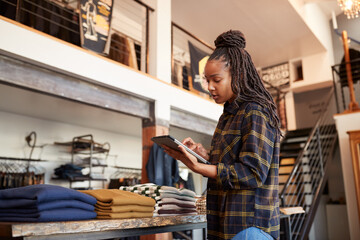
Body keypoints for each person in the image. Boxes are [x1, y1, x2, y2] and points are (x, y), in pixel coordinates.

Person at [163, 30, 280, 240]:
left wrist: (200, 167)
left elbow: (253, 173)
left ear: (238, 74)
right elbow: (231, 164)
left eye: (216, 79)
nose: (209, 87)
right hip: (225, 225)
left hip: (248, 228)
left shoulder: (255, 111)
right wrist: (204, 156)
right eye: (207, 80)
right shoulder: (228, 116)